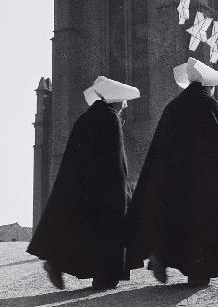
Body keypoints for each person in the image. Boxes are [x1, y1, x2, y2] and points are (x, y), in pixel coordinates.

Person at [126, 57, 218, 287]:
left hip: (174, 180)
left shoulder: (173, 105)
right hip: (202, 178)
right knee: (203, 224)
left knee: (177, 221)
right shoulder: (208, 103)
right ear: (209, 86)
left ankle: (162, 257)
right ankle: (199, 271)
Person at [27, 76, 140, 290]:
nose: (124, 107)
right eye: (123, 103)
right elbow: (116, 161)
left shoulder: (85, 118)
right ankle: (104, 277)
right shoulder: (111, 118)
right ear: (115, 101)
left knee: (84, 232)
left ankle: (57, 261)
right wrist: (122, 190)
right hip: (106, 190)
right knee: (108, 232)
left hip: (82, 190)